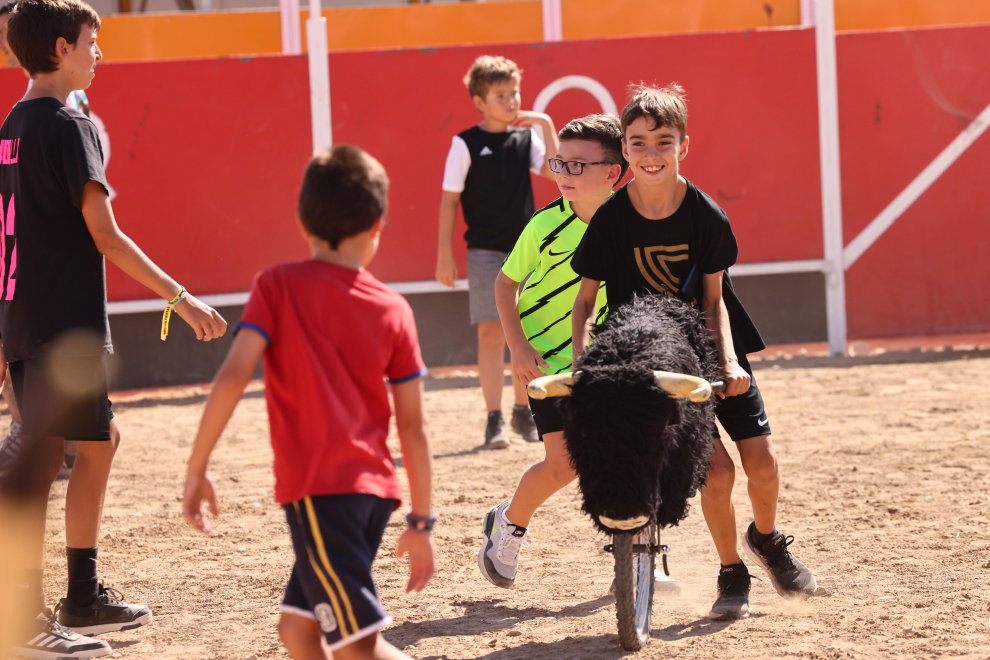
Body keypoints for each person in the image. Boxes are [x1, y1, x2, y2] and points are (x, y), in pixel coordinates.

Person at [1, 1, 227, 657]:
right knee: (42, 460)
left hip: (28, 315)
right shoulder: (71, 124)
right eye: (91, 42)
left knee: (99, 444)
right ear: (62, 48)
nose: (99, 53)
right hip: (61, 323)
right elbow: (105, 234)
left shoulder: (13, 123)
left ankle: (82, 597)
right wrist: (181, 299)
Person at [570, 84, 817, 620]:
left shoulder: (706, 214)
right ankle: (732, 571)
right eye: (638, 143)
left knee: (763, 464)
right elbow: (585, 302)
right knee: (718, 473)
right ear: (624, 151)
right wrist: (581, 362)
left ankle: (767, 540)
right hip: (650, 359)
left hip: (712, 346)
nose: (651, 154)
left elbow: (715, 300)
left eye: (664, 141)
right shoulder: (610, 219)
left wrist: (728, 362)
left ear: (684, 145)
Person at [182, 145, 436, 660]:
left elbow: (233, 376)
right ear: (378, 224)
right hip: (371, 495)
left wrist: (197, 467)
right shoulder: (395, 308)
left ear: (302, 222)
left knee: (358, 647)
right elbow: (414, 427)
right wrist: (420, 522)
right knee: (298, 632)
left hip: (323, 494)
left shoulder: (276, 285)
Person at [477, 114, 622, 587]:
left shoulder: (630, 224)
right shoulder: (544, 225)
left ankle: (636, 552)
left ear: (612, 173)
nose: (563, 173)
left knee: (627, 456)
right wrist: (517, 349)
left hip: (608, 365)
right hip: (546, 366)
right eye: (560, 162)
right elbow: (504, 284)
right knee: (563, 466)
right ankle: (508, 524)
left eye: (578, 165)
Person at [436, 55, 558, 449]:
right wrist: (444, 254)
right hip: (485, 252)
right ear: (479, 102)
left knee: (527, 331)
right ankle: (494, 419)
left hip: (527, 251)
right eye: (500, 95)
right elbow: (449, 200)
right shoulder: (465, 143)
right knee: (491, 334)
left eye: (513, 92)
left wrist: (545, 123)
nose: (510, 101)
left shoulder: (526, 139)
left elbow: (556, 171)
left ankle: (524, 411)